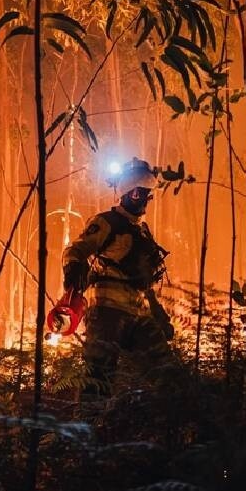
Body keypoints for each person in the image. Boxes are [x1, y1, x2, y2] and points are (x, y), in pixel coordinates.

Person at [61, 158, 175, 397]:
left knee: (166, 371)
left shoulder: (141, 231)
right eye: (145, 194)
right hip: (106, 314)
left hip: (137, 313)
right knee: (98, 379)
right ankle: (86, 428)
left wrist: (157, 312)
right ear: (134, 193)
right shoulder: (106, 223)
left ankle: (158, 424)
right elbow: (76, 251)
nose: (147, 199)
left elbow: (143, 279)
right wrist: (73, 271)